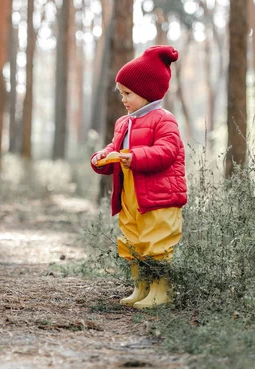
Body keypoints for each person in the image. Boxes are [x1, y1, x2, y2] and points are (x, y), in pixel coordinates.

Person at [91, 45, 187, 309]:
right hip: (131, 197)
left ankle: (160, 290)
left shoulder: (163, 120)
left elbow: (168, 151)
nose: (123, 99)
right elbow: (114, 148)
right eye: (121, 93)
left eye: (128, 93)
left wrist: (135, 157)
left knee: (157, 243)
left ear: (146, 92)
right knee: (132, 241)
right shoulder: (125, 122)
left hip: (159, 198)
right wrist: (102, 158)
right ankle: (141, 287)